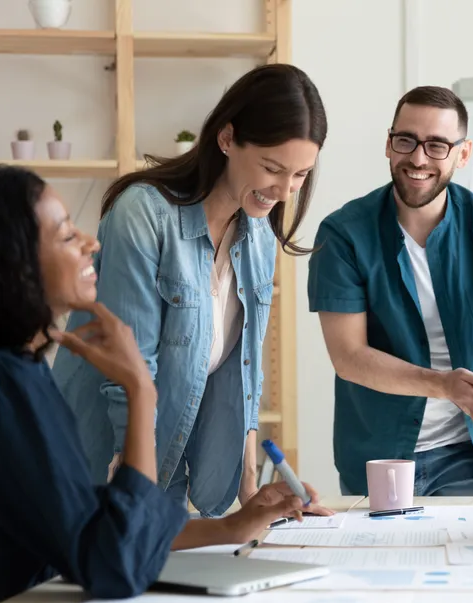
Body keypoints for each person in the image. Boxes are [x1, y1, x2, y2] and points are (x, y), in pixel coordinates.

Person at [0, 165, 323, 603]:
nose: (91, 244)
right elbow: (117, 561)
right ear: (13, 263)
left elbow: (91, 522)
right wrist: (140, 390)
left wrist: (232, 527)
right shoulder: (8, 388)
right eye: (68, 235)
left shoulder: (24, 371)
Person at [52, 63, 331, 517]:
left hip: (166, 463)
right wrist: (134, 493)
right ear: (226, 139)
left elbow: (246, 371)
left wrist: (250, 491)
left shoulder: (258, 233)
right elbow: (130, 369)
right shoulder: (143, 216)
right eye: (271, 168)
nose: (283, 190)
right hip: (101, 464)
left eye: (300, 175)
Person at [307, 86, 473, 497]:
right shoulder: (343, 234)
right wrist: (444, 385)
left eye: (437, 145)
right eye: (406, 141)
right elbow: (349, 358)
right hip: (378, 454)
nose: (417, 158)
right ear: (388, 144)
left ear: (462, 155)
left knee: (470, 561)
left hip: (470, 451)